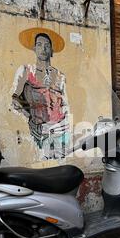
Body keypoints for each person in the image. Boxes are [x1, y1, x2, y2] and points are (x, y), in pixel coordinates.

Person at [11, 28, 70, 159]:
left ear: (52, 51)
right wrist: (29, 117)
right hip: (39, 129)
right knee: (43, 166)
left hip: (61, 128)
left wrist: (67, 127)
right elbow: (14, 98)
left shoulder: (60, 75)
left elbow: (65, 104)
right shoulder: (26, 70)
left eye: (47, 46)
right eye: (39, 45)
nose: (43, 49)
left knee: (61, 165)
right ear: (34, 48)